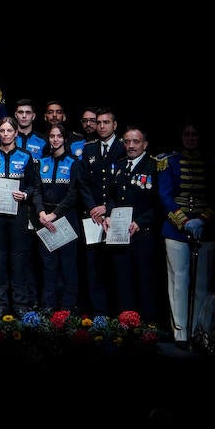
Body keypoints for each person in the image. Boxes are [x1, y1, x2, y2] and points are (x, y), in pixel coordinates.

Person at [158, 122, 215, 347]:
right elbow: (165, 195)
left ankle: (198, 331)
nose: (190, 138)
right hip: (176, 229)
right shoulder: (169, 161)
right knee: (178, 281)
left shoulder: (211, 162)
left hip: (205, 228)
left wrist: (203, 219)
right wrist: (183, 222)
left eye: (194, 134)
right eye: (186, 134)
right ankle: (181, 332)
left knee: (202, 282)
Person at [0, 117, 40, 315]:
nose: (5, 134)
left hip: (18, 215)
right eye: (2, 131)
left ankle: (20, 304)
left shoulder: (25, 156)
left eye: (9, 131)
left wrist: (25, 194)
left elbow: (33, 185)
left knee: (18, 260)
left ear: (15, 133)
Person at [104, 124, 161, 320]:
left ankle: (147, 327)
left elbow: (158, 203)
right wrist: (109, 214)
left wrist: (141, 221)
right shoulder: (119, 165)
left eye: (136, 141)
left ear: (145, 144)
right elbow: (111, 196)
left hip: (143, 234)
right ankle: (125, 324)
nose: (131, 145)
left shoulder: (154, 166)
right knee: (123, 282)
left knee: (145, 283)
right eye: (127, 141)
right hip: (120, 236)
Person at [78, 107, 123, 315]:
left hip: (116, 216)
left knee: (115, 266)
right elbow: (83, 183)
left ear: (115, 125)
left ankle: (117, 314)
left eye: (106, 122)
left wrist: (108, 208)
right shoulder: (89, 149)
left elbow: (123, 185)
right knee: (93, 266)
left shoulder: (123, 148)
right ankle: (98, 315)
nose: (102, 126)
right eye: (99, 122)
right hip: (93, 217)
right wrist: (93, 207)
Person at [34, 123, 82, 313]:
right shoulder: (42, 162)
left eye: (59, 136)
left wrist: (55, 214)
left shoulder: (73, 162)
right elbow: (37, 190)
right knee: (48, 265)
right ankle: (48, 304)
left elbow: (73, 193)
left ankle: (67, 306)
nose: (55, 139)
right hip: (44, 219)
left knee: (68, 265)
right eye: (52, 136)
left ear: (65, 139)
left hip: (66, 218)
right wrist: (41, 212)